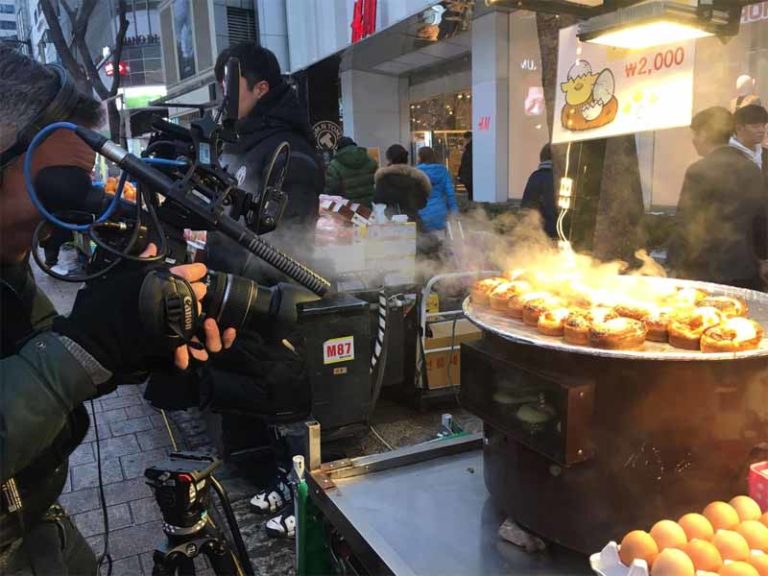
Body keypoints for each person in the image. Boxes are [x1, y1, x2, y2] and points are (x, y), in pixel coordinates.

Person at [0, 46, 234, 574]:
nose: (70, 211)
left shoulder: (10, 271)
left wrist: (128, 345)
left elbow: (35, 365)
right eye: (58, 187)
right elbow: (55, 364)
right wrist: (82, 348)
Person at [206, 42, 325, 540]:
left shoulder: (287, 151)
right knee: (266, 403)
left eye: (227, 86)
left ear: (260, 87)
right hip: (242, 295)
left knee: (289, 402)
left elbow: (282, 244)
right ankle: (284, 477)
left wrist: (245, 286)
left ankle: (308, 497)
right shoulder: (250, 143)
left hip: (274, 301)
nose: (220, 98)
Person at [668, 106, 767, 289]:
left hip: (705, 271)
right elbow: (761, 220)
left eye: (695, 134)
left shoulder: (698, 171)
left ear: (705, 133)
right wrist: (764, 258)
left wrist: (673, 264)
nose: (694, 140)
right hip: (744, 270)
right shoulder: (752, 169)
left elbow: (685, 224)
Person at [372, 144, 431, 228]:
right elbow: (422, 203)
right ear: (406, 159)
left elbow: (377, 200)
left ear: (389, 159)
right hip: (415, 224)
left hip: (390, 223)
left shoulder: (383, 179)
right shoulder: (416, 179)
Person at [324, 136, 378, 206]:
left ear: (338, 148)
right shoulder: (368, 159)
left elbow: (331, 188)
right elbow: (376, 178)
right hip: (368, 204)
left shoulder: (334, 165)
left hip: (348, 208)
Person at [417, 146, 459, 233]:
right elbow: (450, 193)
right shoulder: (443, 170)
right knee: (443, 243)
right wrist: (454, 211)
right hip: (440, 212)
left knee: (424, 243)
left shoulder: (416, 172)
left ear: (420, 157)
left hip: (422, 213)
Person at [521, 143, 557, 239]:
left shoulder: (535, 176)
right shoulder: (556, 178)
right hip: (551, 232)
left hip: (534, 230)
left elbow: (526, 206)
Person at [729, 104, 768, 169]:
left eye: (763, 126)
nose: (762, 130)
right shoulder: (728, 155)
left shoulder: (765, 154)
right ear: (739, 128)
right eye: (756, 126)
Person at [458, 131, 473, 201]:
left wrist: (461, 175)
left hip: (469, 176)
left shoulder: (469, 149)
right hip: (469, 176)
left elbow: (466, 164)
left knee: (471, 194)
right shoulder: (468, 149)